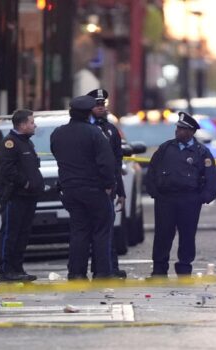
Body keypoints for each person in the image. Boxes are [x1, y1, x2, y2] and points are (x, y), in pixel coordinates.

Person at [146, 111, 216, 277]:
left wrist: (203, 198)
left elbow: (211, 177)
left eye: (182, 129)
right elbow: (152, 171)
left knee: (187, 236)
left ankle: (184, 269)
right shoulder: (165, 148)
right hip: (166, 199)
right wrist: (155, 193)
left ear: (191, 132)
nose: (178, 131)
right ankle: (159, 269)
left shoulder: (201, 152)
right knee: (162, 235)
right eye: (178, 128)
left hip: (189, 200)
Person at [50, 95, 116, 280]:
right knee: (101, 231)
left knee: (79, 231)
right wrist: (109, 185)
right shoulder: (95, 133)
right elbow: (106, 163)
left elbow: (57, 154)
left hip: (70, 189)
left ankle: (76, 272)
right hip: (94, 189)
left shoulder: (58, 133)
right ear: (89, 113)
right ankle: (102, 272)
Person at [0, 109, 44, 282]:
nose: (34, 125)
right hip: (15, 196)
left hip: (28, 196)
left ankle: (17, 268)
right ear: (22, 124)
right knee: (10, 233)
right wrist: (26, 183)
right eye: (32, 122)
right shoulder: (10, 143)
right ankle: (6, 270)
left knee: (23, 233)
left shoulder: (26, 142)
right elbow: (8, 170)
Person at [87, 88, 127, 279]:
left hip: (108, 187)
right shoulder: (85, 127)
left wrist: (121, 190)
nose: (101, 108)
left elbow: (117, 162)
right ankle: (98, 268)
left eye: (103, 105)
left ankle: (110, 266)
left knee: (107, 228)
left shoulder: (111, 129)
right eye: (97, 105)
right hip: (91, 187)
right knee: (92, 231)